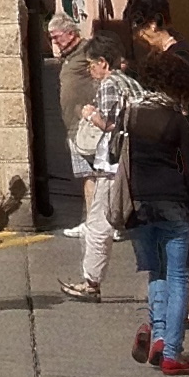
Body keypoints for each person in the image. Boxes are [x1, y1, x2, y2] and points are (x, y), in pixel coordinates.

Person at [115, 27, 189, 375]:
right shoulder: (175, 119)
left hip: (140, 204)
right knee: (178, 278)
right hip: (173, 203)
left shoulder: (130, 114)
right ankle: (172, 353)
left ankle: (158, 334)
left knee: (156, 273)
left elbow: (117, 154)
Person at [126, 0, 189, 324]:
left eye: (141, 29)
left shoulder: (180, 59)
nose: (139, 38)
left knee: (183, 220)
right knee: (183, 216)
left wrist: (177, 150)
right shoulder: (178, 50)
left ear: (154, 23)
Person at [58, 25, 129, 302]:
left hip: (111, 165)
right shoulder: (130, 82)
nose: (90, 71)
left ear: (103, 63)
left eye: (92, 66)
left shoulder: (109, 84)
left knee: (98, 225)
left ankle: (91, 283)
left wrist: (91, 115)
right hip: (129, 163)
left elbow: (112, 125)